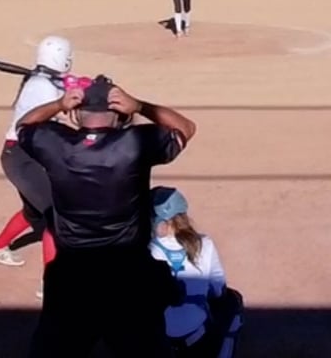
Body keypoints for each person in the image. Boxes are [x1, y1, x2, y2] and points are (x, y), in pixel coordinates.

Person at [16, 75, 197, 358]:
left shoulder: (54, 143)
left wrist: (58, 104)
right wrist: (140, 106)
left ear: (77, 114)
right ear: (119, 115)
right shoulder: (136, 142)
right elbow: (185, 127)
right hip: (127, 278)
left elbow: (23, 126)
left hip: (72, 277)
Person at [0, 35, 73, 285]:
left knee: (34, 211)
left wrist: (74, 86)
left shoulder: (43, 81)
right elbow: (63, 116)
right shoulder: (44, 87)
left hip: (20, 155)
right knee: (57, 217)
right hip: (22, 158)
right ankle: (52, 285)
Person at [149, 187, 243, 357]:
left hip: (156, 342)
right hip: (196, 342)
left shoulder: (144, 249)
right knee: (232, 301)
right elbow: (218, 290)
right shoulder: (204, 244)